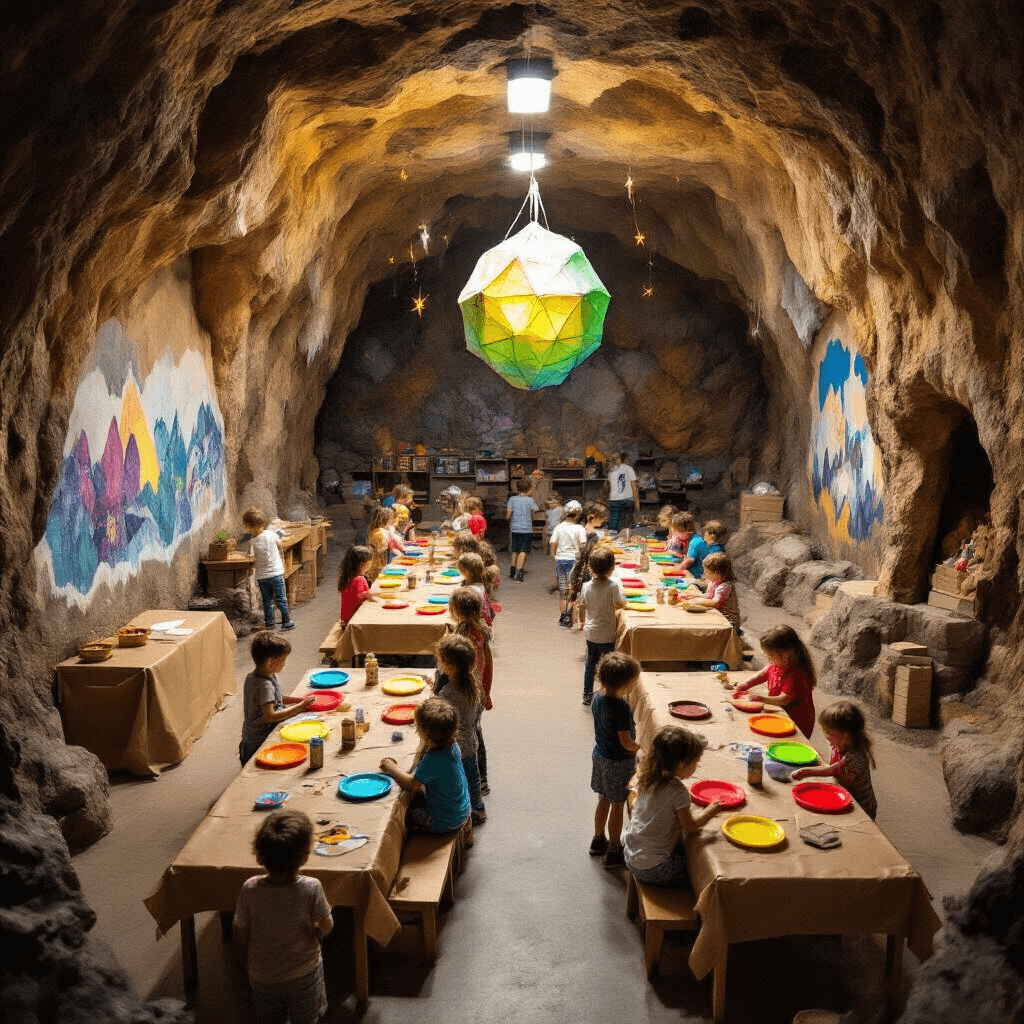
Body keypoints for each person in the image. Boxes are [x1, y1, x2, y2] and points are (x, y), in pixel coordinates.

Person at [233, 809, 333, 1024]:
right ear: (305, 855)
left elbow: (241, 933)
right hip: (304, 974)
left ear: (259, 854)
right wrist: (318, 930)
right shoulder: (311, 887)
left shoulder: (249, 888)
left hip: (263, 975)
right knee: (307, 1017)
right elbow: (327, 924)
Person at [623, 725, 724, 886]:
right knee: (699, 867)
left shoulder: (647, 775)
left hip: (631, 855)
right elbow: (690, 827)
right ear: (681, 765)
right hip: (653, 868)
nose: (697, 766)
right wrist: (711, 810)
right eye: (696, 762)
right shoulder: (677, 791)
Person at [380, 697, 470, 834]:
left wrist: (392, 768)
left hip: (446, 822)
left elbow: (410, 784)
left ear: (422, 733)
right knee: (422, 791)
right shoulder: (453, 746)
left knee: (408, 814)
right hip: (461, 810)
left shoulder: (433, 759)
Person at [589, 651, 641, 868]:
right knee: (618, 805)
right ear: (625, 684)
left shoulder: (597, 697)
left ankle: (598, 839)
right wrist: (642, 747)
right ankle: (613, 850)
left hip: (600, 756)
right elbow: (626, 741)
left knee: (603, 799)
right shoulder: (620, 707)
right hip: (618, 763)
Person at [432, 633, 487, 825]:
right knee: (473, 780)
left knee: (460, 782)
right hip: (471, 743)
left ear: (448, 665)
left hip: (455, 748)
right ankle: (479, 808)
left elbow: (437, 716)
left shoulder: (447, 693)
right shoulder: (472, 682)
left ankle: (467, 819)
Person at [791, 700, 878, 818]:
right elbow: (833, 769)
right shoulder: (839, 746)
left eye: (828, 732)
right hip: (848, 795)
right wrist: (805, 772)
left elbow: (839, 783)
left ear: (845, 734)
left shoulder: (854, 758)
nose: (825, 735)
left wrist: (810, 775)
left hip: (861, 808)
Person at [238, 631, 315, 765]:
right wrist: (300, 707)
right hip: (259, 741)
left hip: (261, 735)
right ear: (270, 661)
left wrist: (298, 701)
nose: (285, 663)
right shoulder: (264, 685)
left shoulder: (265, 675)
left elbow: (278, 698)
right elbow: (270, 716)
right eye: (283, 659)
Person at [728, 624, 817, 738]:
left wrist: (762, 699)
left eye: (770, 654)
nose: (768, 657)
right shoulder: (778, 662)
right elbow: (764, 673)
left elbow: (784, 699)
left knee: (789, 742)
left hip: (797, 720)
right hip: (782, 711)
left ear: (786, 652)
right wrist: (745, 684)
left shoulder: (796, 673)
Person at [448, 586, 494, 794]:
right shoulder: (479, 630)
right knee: (476, 730)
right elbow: (489, 662)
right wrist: (488, 690)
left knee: (471, 734)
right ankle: (481, 776)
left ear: (457, 611)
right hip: (478, 691)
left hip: (467, 692)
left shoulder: (466, 634)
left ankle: (478, 778)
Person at [578, 546, 627, 706]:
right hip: (607, 633)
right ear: (612, 568)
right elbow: (620, 603)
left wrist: (581, 622)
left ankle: (586, 694)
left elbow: (581, 606)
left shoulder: (586, 586)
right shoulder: (613, 586)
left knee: (590, 664)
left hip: (591, 633)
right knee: (607, 665)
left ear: (590, 567)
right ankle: (608, 692)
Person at [242, 507, 295, 631]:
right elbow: (280, 544)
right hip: (277, 573)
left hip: (263, 577)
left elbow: (251, 557)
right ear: (263, 523)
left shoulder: (252, 542)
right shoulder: (271, 534)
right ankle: (286, 621)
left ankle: (269, 623)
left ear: (247, 526)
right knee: (281, 598)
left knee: (267, 601)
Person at [680, 552, 740, 631]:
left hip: (728, 622)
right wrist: (692, 595)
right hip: (716, 613)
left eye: (708, 572)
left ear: (718, 573)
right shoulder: (714, 581)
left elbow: (715, 602)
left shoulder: (724, 586)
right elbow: (708, 596)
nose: (705, 574)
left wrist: (697, 601)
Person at [550, 500, 586, 627]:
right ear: (578, 515)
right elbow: (582, 545)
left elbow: (553, 543)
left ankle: (562, 615)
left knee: (563, 590)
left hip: (560, 560)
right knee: (573, 590)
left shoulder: (558, 527)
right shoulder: (579, 528)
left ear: (564, 514)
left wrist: (554, 555)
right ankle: (569, 617)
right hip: (573, 561)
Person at [506, 477, 539, 582]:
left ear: (517, 489)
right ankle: (518, 574)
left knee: (515, 550)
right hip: (526, 529)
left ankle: (512, 570)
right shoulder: (530, 500)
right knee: (523, 551)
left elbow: (508, 516)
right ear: (529, 489)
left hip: (515, 528)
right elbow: (535, 511)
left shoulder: (512, 499)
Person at [337, 544, 377, 625]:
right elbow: (361, 597)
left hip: (345, 619)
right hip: (354, 620)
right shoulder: (359, 580)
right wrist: (372, 594)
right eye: (369, 564)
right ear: (364, 564)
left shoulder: (347, 577)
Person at [367, 505, 403, 582]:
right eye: (390, 520)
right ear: (383, 521)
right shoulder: (380, 533)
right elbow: (385, 549)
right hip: (379, 566)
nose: (393, 522)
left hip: (381, 564)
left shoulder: (382, 531)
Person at [605, 453, 640, 532]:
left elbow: (608, 487)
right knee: (626, 525)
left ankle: (611, 541)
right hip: (628, 500)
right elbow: (635, 488)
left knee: (613, 525)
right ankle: (625, 539)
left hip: (614, 500)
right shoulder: (629, 468)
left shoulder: (610, 470)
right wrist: (637, 504)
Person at [457, 552, 494, 626]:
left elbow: (464, 614)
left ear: (467, 572)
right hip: (483, 621)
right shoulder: (479, 583)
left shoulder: (472, 591)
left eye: (460, 570)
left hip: (476, 625)